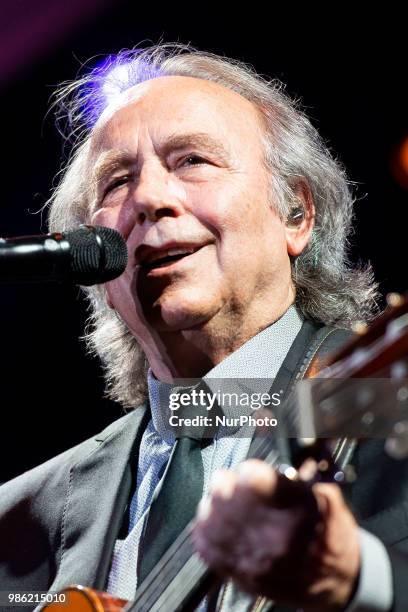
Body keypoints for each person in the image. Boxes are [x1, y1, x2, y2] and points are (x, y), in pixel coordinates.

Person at [1, 43, 407, 612]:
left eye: (192, 160)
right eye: (116, 181)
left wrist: (360, 581)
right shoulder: (16, 524)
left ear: (295, 214)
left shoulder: (390, 399)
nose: (148, 197)